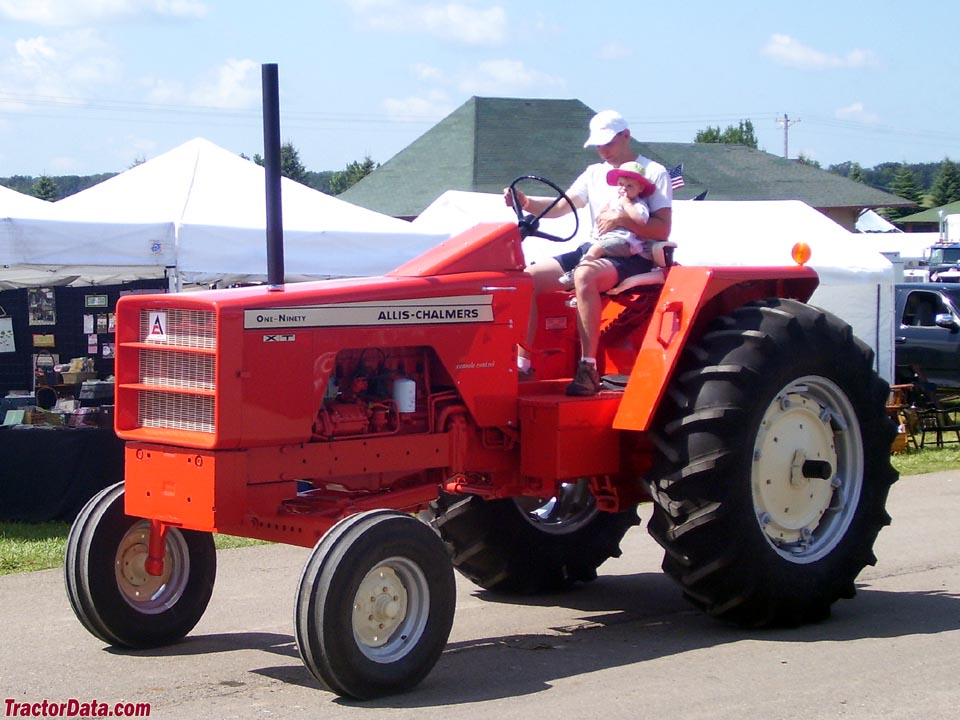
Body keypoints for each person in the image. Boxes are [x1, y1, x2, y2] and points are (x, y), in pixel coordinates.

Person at [504, 109, 673, 396]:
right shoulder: (594, 173)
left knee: (583, 275)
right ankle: (522, 366)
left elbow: (662, 229)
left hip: (632, 254)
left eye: (608, 142)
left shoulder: (653, 172)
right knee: (526, 279)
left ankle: (588, 368)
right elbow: (562, 206)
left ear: (626, 136)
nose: (603, 150)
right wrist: (527, 202)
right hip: (594, 248)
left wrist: (621, 221)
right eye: (598, 144)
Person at [559, 160, 656, 288]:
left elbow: (640, 220)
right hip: (606, 239)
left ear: (640, 188)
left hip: (625, 242)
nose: (624, 189)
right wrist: (605, 212)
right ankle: (580, 276)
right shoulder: (614, 201)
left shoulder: (638, 205)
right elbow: (602, 214)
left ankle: (576, 271)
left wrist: (626, 204)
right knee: (589, 248)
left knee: (595, 249)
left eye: (630, 186)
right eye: (621, 184)